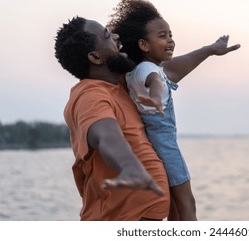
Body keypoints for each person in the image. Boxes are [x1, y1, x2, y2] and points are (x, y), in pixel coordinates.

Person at [107, 0, 241, 220]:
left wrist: (210, 49)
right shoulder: (147, 70)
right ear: (143, 45)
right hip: (165, 147)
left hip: (153, 146)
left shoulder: (141, 69)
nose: (170, 41)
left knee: (177, 209)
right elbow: (155, 81)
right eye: (162, 36)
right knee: (187, 204)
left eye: (170, 35)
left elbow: (175, 69)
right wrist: (157, 99)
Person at [54, 16, 170, 221]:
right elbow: (106, 136)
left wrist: (210, 50)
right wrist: (129, 167)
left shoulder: (122, 85)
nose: (116, 36)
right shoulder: (90, 95)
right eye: (107, 35)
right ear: (96, 57)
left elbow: (166, 72)